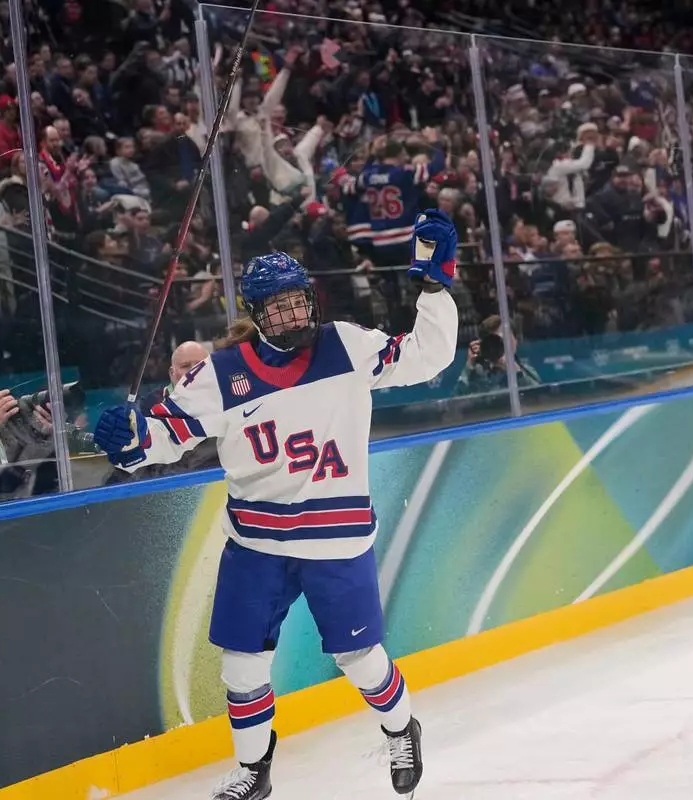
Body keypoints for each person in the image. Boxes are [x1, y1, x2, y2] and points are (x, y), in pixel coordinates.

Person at [93, 210, 460, 799]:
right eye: (279, 306)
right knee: (240, 666)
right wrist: (130, 441)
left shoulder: (347, 346)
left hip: (335, 540)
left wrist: (436, 285)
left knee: (359, 658)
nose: (294, 314)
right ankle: (254, 772)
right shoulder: (218, 375)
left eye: (299, 301)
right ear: (257, 314)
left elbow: (428, 355)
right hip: (256, 544)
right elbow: (160, 437)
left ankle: (401, 725)